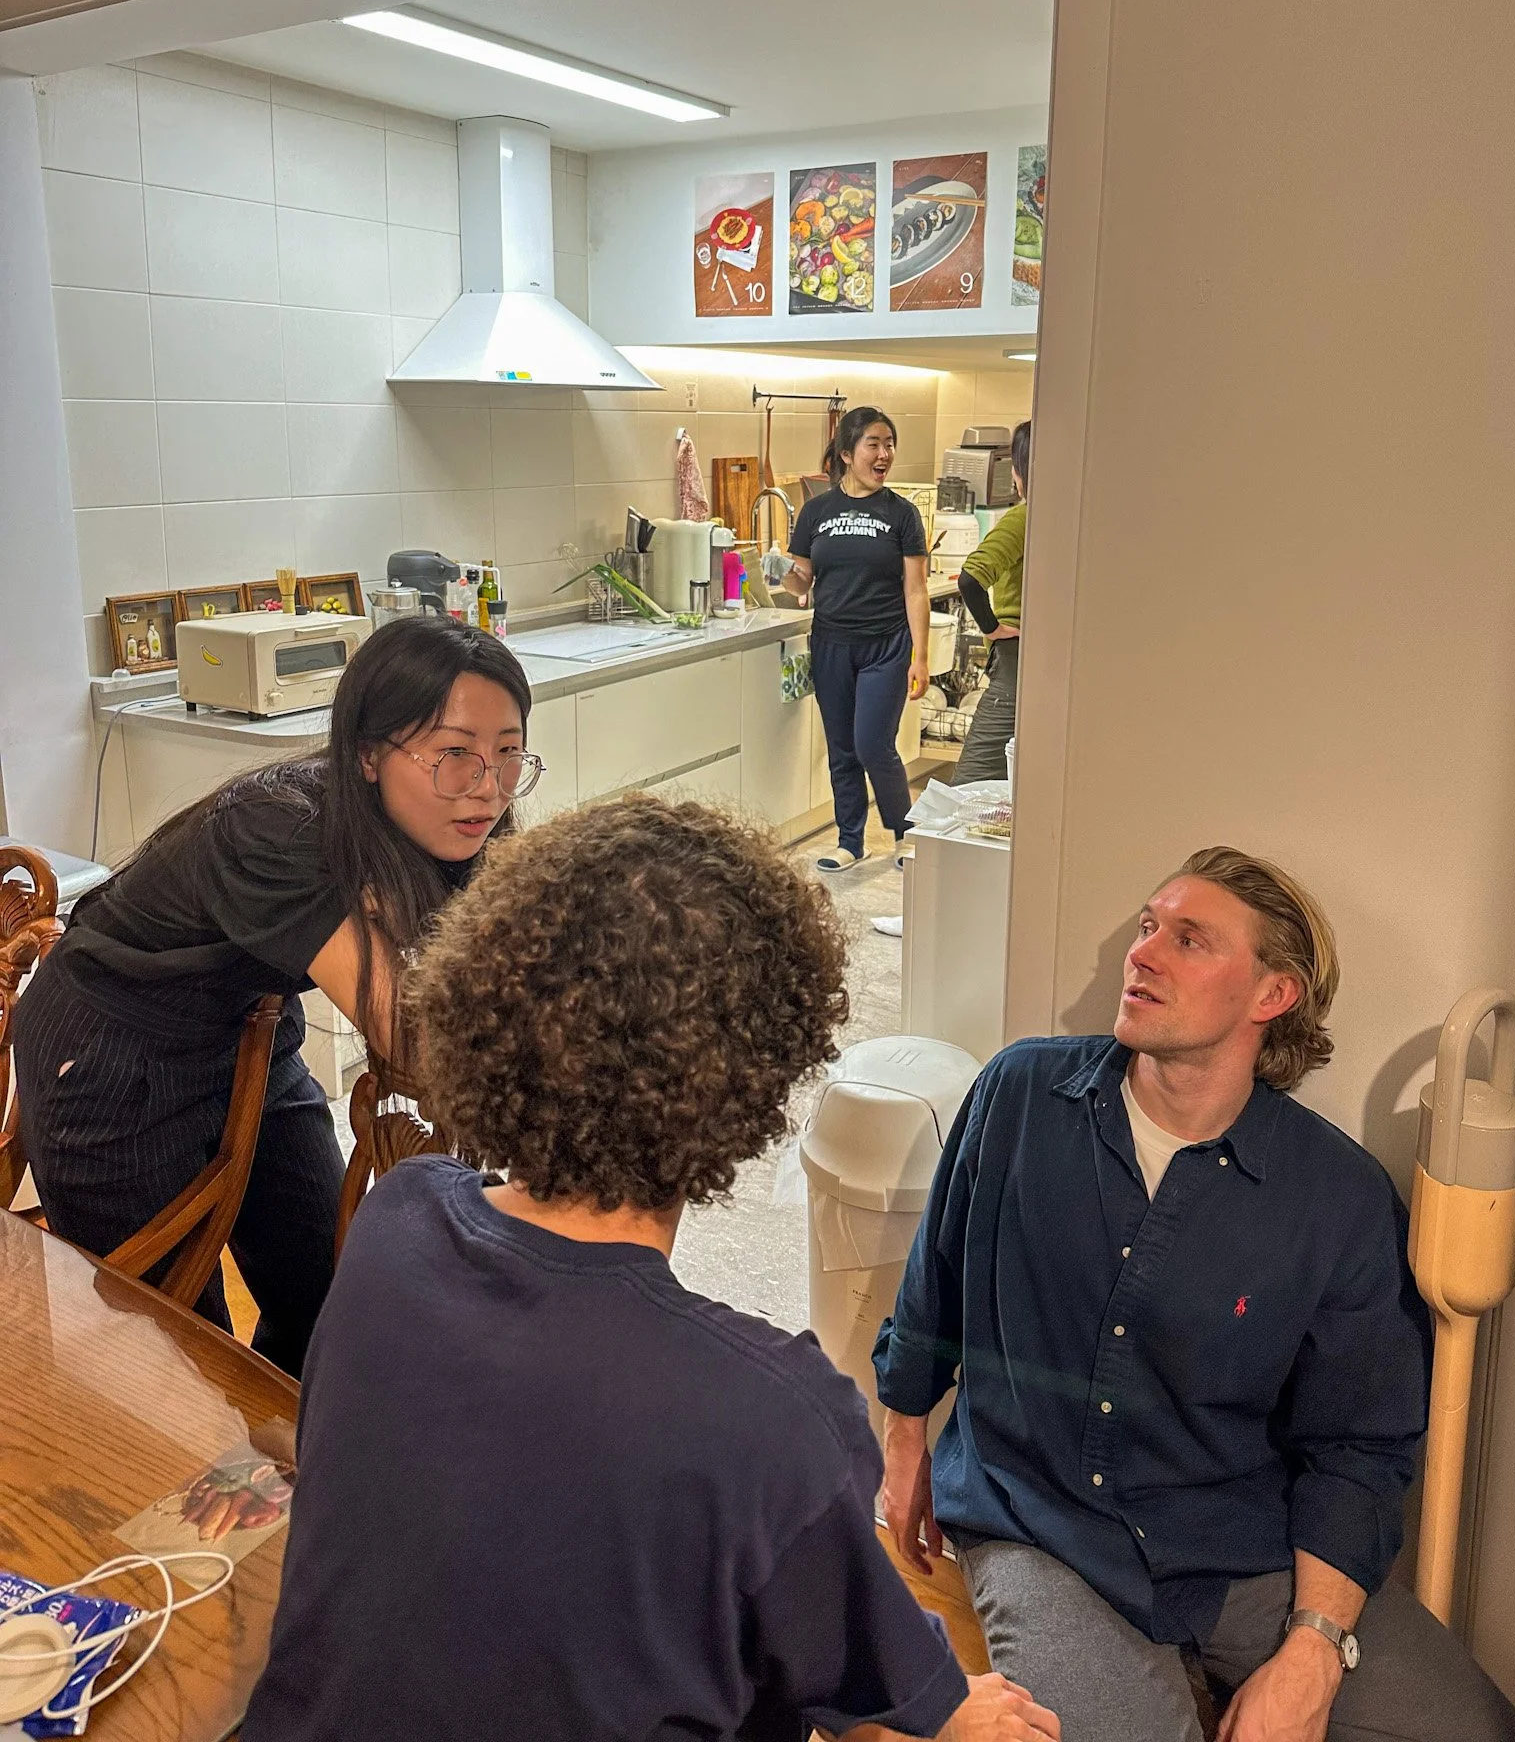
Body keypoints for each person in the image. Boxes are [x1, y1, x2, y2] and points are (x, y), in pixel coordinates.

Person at [241, 796, 1061, 1742]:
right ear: (747, 1079)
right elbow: (889, 1685)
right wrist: (959, 1719)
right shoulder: (772, 1415)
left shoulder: (399, 1220)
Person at [874, 846, 1515, 1742]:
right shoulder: (1020, 1094)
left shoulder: (1335, 1197)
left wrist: (1311, 1651)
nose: (1142, 953)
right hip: (1039, 1523)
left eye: (1189, 940)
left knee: (1474, 1731)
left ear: (1272, 996)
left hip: (1235, 1544)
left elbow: (1359, 1447)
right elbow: (936, 1284)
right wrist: (904, 1437)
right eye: (1148, 927)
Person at [11, 617, 537, 1375]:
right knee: (171, 1346)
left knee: (326, 1286)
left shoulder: (448, 816)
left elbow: (510, 957)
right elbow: (414, 1037)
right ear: (366, 754)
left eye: (508, 751)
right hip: (110, 1049)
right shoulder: (278, 829)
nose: (487, 786)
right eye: (454, 752)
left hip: (249, 1027)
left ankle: (297, 1458)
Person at [786, 406, 930, 872]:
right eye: (875, 443)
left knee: (873, 744)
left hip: (886, 645)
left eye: (889, 444)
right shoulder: (816, 512)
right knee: (842, 748)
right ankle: (850, 839)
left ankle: (905, 834)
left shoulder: (902, 514)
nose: (885, 453)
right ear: (847, 453)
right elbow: (801, 584)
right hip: (830, 643)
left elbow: (916, 589)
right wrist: (780, 573)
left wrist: (920, 657)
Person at [952, 421, 1029, 787]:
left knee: (971, 783)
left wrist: (993, 629)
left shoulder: (1024, 518)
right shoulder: (1070, 521)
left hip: (1015, 661)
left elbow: (970, 578)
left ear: (1019, 472)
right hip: (1042, 661)